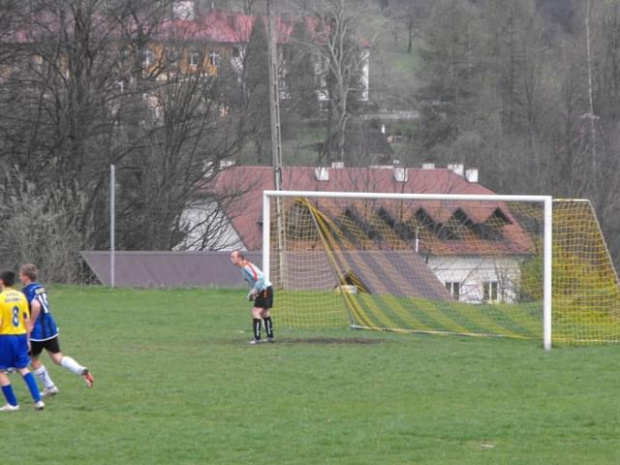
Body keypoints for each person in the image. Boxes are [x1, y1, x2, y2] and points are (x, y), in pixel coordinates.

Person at [19, 263, 94, 397]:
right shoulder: (41, 288)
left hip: (37, 333)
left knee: (32, 359)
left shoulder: (26, 291)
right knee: (57, 357)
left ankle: (50, 387)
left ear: (26, 277)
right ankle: (79, 369)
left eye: (21, 275)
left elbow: (36, 306)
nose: (20, 277)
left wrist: (31, 323)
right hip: (50, 328)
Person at [0, 270, 45, 411]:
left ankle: (12, 404)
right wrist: (28, 339)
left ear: (1, 281)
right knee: (22, 368)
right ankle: (38, 401)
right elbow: (26, 319)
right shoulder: (21, 296)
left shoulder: (1, 298)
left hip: (6, 337)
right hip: (20, 336)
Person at [230, 250, 275, 344]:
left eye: (233, 257)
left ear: (239, 258)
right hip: (264, 290)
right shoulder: (243, 268)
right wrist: (252, 293)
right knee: (265, 313)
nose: (231, 259)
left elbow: (261, 278)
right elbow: (252, 282)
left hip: (265, 290)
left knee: (255, 312)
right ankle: (270, 337)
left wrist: (254, 291)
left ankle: (257, 339)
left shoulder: (247, 266)